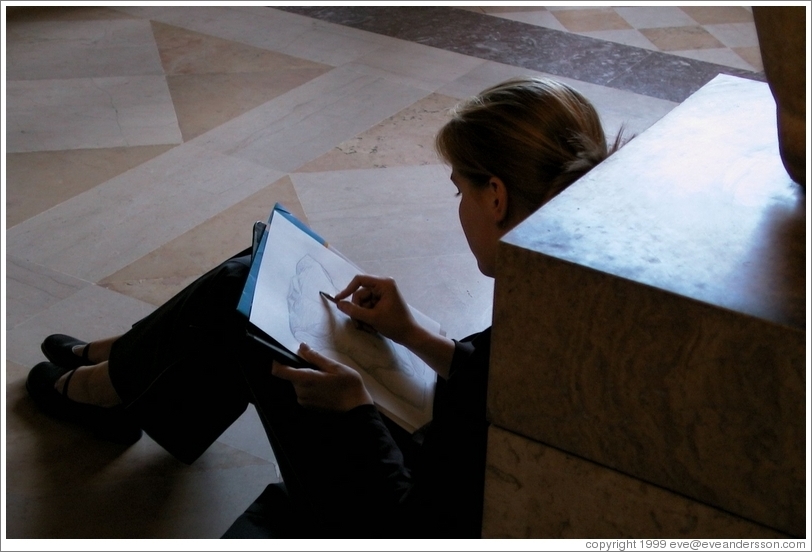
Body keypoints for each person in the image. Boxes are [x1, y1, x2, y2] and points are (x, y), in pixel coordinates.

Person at [25, 77, 627, 538]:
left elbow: (411, 523)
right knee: (257, 280)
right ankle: (124, 371)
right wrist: (413, 333)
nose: (459, 208)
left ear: (495, 196)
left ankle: (115, 379)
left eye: (459, 190)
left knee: (248, 299)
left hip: (398, 514)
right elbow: (504, 390)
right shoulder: (572, 283)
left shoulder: (544, 308)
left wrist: (355, 411)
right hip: (448, 467)